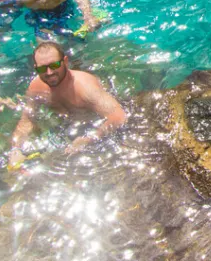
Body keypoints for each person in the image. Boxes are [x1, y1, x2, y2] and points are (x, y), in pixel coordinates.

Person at [7, 41, 128, 170]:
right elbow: (27, 120)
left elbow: (119, 116)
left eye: (54, 65)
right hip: (66, 128)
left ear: (65, 61)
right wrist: (16, 150)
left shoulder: (85, 88)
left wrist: (90, 138)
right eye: (42, 68)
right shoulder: (36, 87)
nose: (49, 72)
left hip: (96, 127)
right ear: (36, 68)